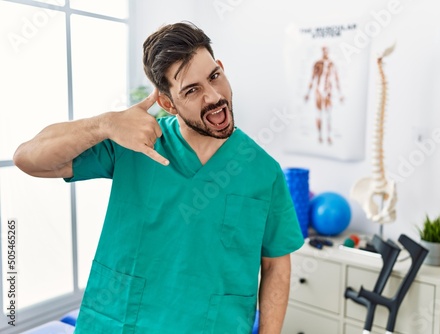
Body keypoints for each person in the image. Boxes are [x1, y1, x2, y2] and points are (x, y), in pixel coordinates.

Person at [13, 22, 304, 333]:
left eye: (214, 77)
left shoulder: (263, 171)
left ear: (221, 68)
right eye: (191, 90)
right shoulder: (135, 143)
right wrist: (105, 125)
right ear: (167, 103)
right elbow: (29, 158)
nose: (213, 96)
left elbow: (276, 265)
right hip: (122, 323)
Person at [304, 46, 344, 145]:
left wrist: (340, 94)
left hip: (328, 91)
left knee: (328, 114)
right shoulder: (317, 64)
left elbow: (336, 79)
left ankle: (329, 136)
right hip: (319, 91)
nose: (326, 53)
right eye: (324, 51)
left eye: (327, 51)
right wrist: (308, 93)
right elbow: (312, 78)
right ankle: (319, 135)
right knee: (319, 113)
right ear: (322, 52)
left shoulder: (331, 64)